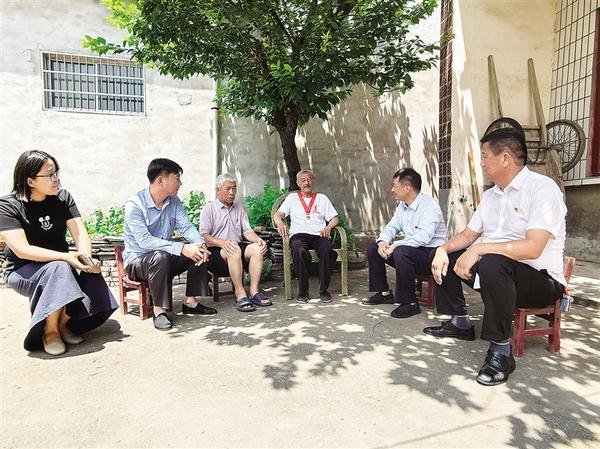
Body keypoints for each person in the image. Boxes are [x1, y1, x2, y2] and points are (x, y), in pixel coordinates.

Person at [425, 128, 567, 386]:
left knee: (491, 261)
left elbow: (533, 247)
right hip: (501, 274)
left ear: (505, 158)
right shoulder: (491, 195)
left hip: (542, 282)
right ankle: (460, 322)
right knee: (447, 254)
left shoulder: (542, 189)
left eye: (484, 156)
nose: (481, 162)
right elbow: (468, 235)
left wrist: (480, 249)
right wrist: (442, 250)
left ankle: (501, 351)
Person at [0, 150, 118, 356]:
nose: (56, 179)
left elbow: (80, 233)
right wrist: (66, 257)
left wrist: (86, 260)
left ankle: (64, 324)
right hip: (22, 269)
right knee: (59, 267)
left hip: (60, 266)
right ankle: (50, 330)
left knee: (88, 269)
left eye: (56, 173)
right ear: (30, 181)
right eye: (50, 175)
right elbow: (22, 250)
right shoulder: (7, 206)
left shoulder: (63, 198)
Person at [123, 158, 213, 331]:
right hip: (138, 261)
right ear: (161, 180)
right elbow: (144, 241)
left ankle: (191, 302)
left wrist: (200, 244)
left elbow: (186, 226)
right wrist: (182, 248)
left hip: (163, 258)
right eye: (177, 178)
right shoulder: (135, 205)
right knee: (160, 256)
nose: (180, 183)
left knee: (198, 250)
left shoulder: (174, 201)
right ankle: (159, 311)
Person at [362, 168, 447, 318]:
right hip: (411, 251)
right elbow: (392, 226)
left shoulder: (429, 206)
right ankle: (384, 293)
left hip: (431, 254)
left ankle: (410, 303)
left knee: (401, 252)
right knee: (374, 248)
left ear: (407, 188)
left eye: (394, 185)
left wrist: (395, 245)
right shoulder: (403, 206)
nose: (392, 189)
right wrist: (383, 242)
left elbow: (424, 237)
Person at [199, 174, 272, 312]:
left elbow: (247, 231)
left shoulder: (239, 209)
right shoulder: (209, 209)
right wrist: (222, 243)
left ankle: (254, 291)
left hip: (236, 247)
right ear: (218, 190)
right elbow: (204, 236)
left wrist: (258, 239)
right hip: (216, 252)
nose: (232, 192)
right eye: (228, 189)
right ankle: (240, 293)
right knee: (234, 249)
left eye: (234, 188)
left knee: (257, 248)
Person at [273, 170, 339, 303]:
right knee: (299, 251)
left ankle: (323, 290)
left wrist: (328, 227)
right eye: (303, 180)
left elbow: (335, 218)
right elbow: (278, 214)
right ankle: (303, 291)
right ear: (298, 183)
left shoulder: (322, 198)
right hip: (298, 235)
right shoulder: (292, 198)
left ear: (313, 181)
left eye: (309, 179)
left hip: (319, 235)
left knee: (327, 249)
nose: (306, 182)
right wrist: (279, 223)